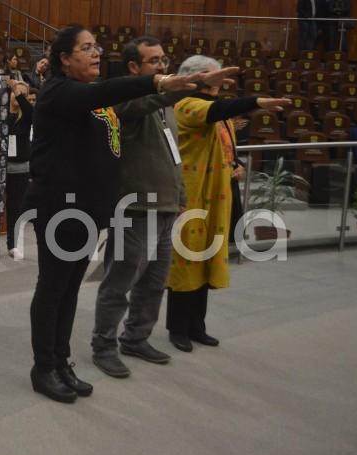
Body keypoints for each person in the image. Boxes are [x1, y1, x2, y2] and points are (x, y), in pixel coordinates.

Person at [23, 25, 235, 404]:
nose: (95, 53)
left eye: (96, 47)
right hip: (60, 208)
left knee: (70, 290)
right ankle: (43, 367)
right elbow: (109, 90)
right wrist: (163, 80)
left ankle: (61, 360)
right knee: (53, 289)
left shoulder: (88, 97)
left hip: (88, 209)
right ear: (64, 58)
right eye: (85, 48)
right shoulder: (59, 93)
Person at [90, 37, 225, 377]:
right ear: (134, 68)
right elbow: (150, 99)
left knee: (153, 282)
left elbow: (172, 157)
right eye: (154, 61)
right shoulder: (127, 99)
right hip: (135, 207)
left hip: (165, 207)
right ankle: (103, 345)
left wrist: (179, 197)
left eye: (164, 60)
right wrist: (191, 84)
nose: (163, 66)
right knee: (118, 283)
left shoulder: (166, 107)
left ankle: (136, 337)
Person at [166, 55, 290, 352]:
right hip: (194, 196)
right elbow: (218, 110)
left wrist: (235, 164)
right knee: (187, 261)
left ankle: (197, 325)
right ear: (193, 78)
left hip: (218, 193)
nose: (219, 79)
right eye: (212, 75)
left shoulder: (216, 110)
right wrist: (257, 102)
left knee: (207, 259)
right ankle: (178, 328)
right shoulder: (186, 105)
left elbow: (225, 142)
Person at [0, 78, 35, 260]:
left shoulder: (26, 115)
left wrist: (20, 94)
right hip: (1, 168)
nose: (20, 96)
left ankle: (12, 245)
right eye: (17, 93)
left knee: (15, 208)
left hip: (20, 168)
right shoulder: (2, 113)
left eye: (24, 94)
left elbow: (30, 111)